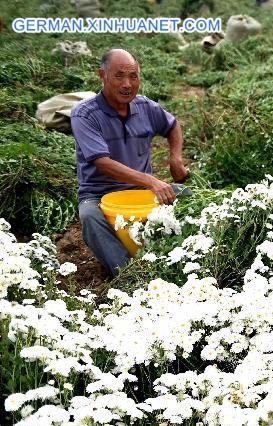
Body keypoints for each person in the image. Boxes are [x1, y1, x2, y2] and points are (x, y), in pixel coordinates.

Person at [70, 49, 187, 275]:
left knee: (191, 198)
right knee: (90, 217)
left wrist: (175, 158)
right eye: (119, 76)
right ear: (102, 75)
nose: (127, 84)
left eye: (133, 76)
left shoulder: (145, 107)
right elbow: (102, 162)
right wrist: (152, 181)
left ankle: (180, 260)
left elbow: (172, 126)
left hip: (141, 191)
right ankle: (130, 275)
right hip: (99, 195)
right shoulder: (85, 114)